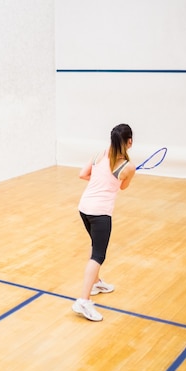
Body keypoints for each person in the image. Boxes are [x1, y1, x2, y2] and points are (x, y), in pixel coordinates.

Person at [72, 123, 136, 321]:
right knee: (98, 255)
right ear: (129, 142)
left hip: (84, 208)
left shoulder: (100, 154)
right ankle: (83, 301)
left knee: (95, 247)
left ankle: (97, 282)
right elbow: (123, 187)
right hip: (101, 213)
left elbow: (83, 174)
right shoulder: (128, 166)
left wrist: (99, 181)